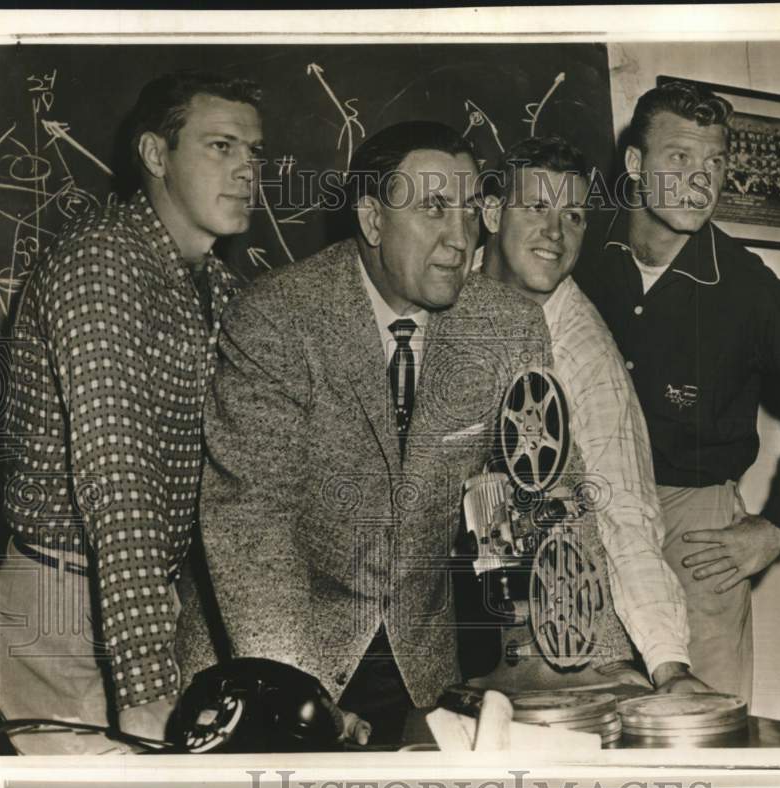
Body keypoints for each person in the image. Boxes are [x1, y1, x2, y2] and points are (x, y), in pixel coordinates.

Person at [176, 121, 552, 745]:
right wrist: (299, 700)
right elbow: (253, 523)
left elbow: (539, 493)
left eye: (469, 210)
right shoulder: (277, 316)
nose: (460, 238)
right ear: (373, 221)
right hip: (272, 655)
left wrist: (570, 657)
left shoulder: (509, 327)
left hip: (422, 667)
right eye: (433, 208)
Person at [0, 71, 263, 752]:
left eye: (254, 153)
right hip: (65, 603)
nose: (246, 172)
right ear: (155, 154)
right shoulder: (101, 265)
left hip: (146, 597)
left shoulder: (216, 287)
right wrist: (148, 686)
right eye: (221, 147)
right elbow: (119, 483)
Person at [577, 81, 780, 702]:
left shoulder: (750, 290)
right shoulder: (578, 252)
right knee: (588, 712)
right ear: (635, 164)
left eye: (714, 162)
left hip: (695, 526)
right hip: (583, 508)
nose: (700, 180)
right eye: (680, 158)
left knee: (703, 722)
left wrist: (777, 526)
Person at [478, 136, 708, 694]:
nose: (555, 233)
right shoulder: (444, 290)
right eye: (537, 207)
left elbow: (625, 509)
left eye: (574, 215)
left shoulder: (584, 350)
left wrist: (669, 665)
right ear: (490, 211)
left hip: (562, 636)